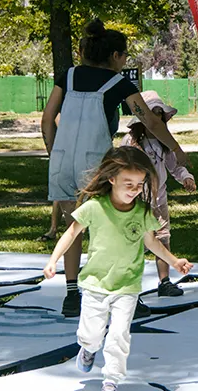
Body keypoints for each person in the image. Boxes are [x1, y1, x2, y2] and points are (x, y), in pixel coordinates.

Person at [41, 19, 188, 318]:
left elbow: (46, 120)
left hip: (63, 161)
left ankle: (72, 295)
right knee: (110, 229)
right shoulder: (120, 83)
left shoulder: (66, 76)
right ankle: (119, 292)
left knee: (75, 226)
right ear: (116, 56)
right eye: (125, 56)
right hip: (97, 164)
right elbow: (150, 120)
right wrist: (175, 148)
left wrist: (54, 153)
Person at [43, 146, 192, 391]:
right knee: (92, 335)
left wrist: (174, 260)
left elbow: (153, 243)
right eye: (128, 183)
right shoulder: (94, 207)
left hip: (128, 285)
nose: (134, 189)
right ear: (111, 178)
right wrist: (53, 260)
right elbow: (71, 234)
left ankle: (111, 382)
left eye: (139, 184)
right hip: (96, 285)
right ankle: (88, 349)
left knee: (119, 336)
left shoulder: (143, 212)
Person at [121, 91, 195, 317]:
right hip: (136, 202)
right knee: (134, 244)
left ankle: (165, 281)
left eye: (160, 115)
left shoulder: (165, 143)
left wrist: (185, 177)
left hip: (159, 199)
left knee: (162, 238)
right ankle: (129, 288)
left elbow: (174, 166)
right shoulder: (131, 142)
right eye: (153, 114)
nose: (157, 119)